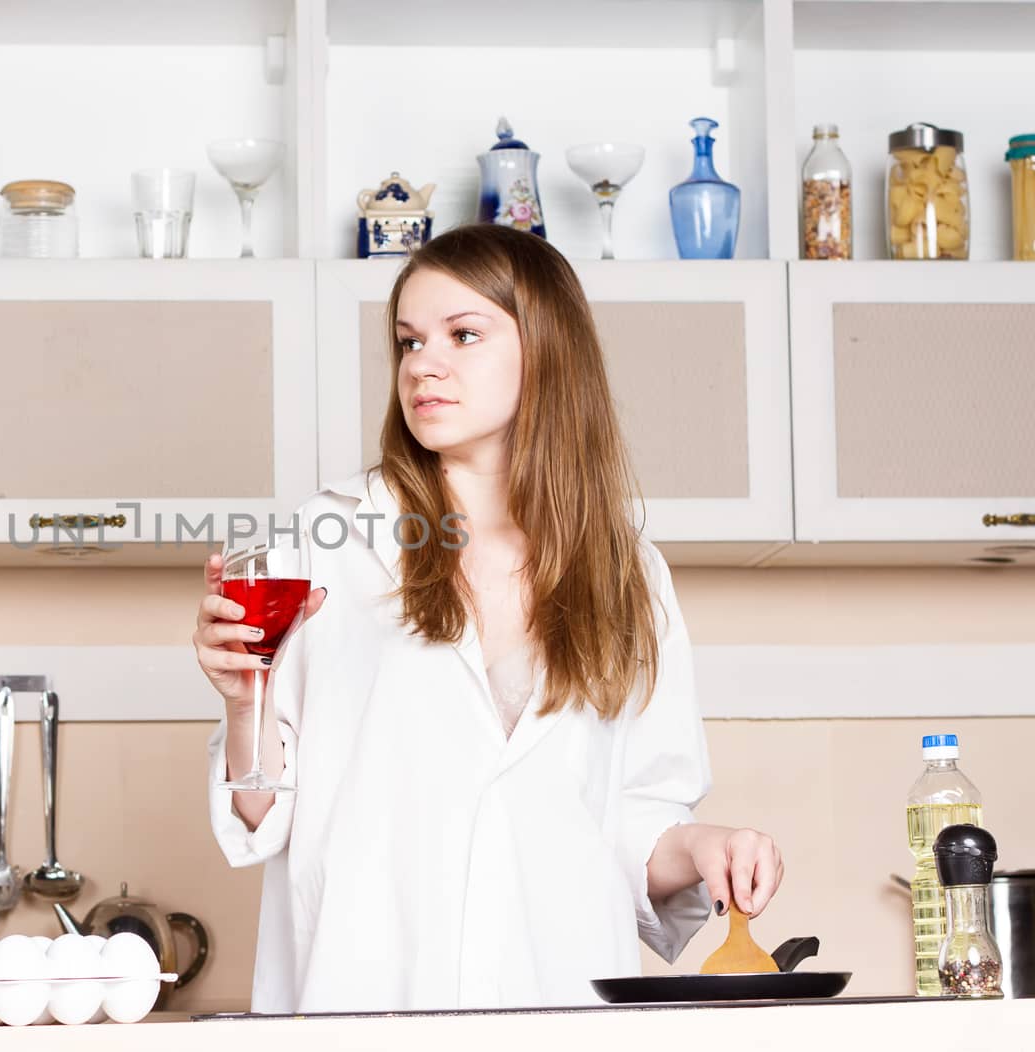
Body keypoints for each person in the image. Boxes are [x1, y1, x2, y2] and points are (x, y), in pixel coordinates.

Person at [192, 224, 783, 1013]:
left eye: (463, 334)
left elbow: (633, 823)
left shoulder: (628, 571)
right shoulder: (327, 538)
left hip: (558, 1003)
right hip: (365, 1003)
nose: (423, 365)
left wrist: (705, 846)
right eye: (408, 342)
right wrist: (244, 701)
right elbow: (266, 810)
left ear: (546, 351)